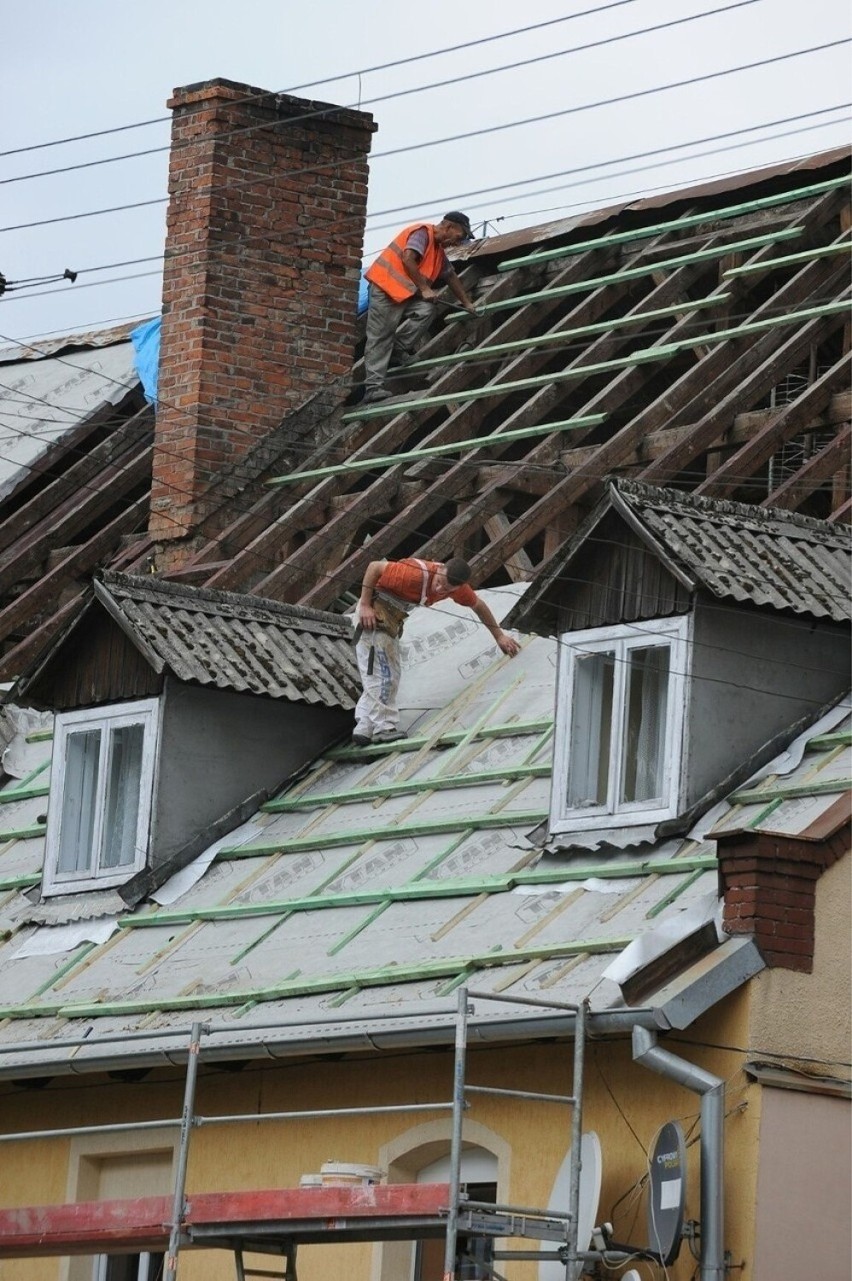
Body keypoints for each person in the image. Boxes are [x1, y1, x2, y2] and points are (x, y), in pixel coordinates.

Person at [351, 556, 521, 746]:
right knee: (383, 673)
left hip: (390, 620)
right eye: (439, 582)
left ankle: (364, 728)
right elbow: (374, 566)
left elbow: (479, 606)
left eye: (447, 590)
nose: (440, 590)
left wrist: (499, 636)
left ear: (457, 588)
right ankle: (384, 728)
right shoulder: (413, 574)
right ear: (439, 569)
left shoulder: (458, 589)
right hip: (373, 615)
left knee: (387, 673)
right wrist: (365, 605)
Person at [361, 211, 480, 403]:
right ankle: (373, 388)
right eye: (459, 236)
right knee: (381, 336)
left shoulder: (438, 253)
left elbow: (450, 276)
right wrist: (424, 288)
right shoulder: (422, 233)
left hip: (404, 293)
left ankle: (397, 350)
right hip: (385, 288)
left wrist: (467, 303)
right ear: (448, 227)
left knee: (425, 310)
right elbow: (408, 258)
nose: (458, 242)